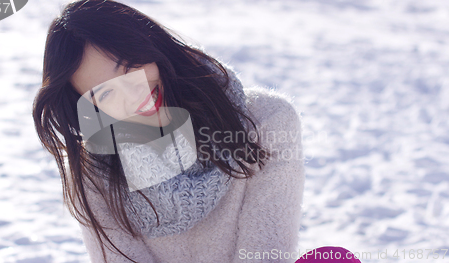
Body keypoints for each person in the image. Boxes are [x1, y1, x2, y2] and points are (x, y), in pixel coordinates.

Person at [33, 1, 359, 262]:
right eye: (105, 94)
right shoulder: (94, 172)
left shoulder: (266, 120)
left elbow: (265, 251)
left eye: (131, 66)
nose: (134, 95)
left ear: (151, 46)